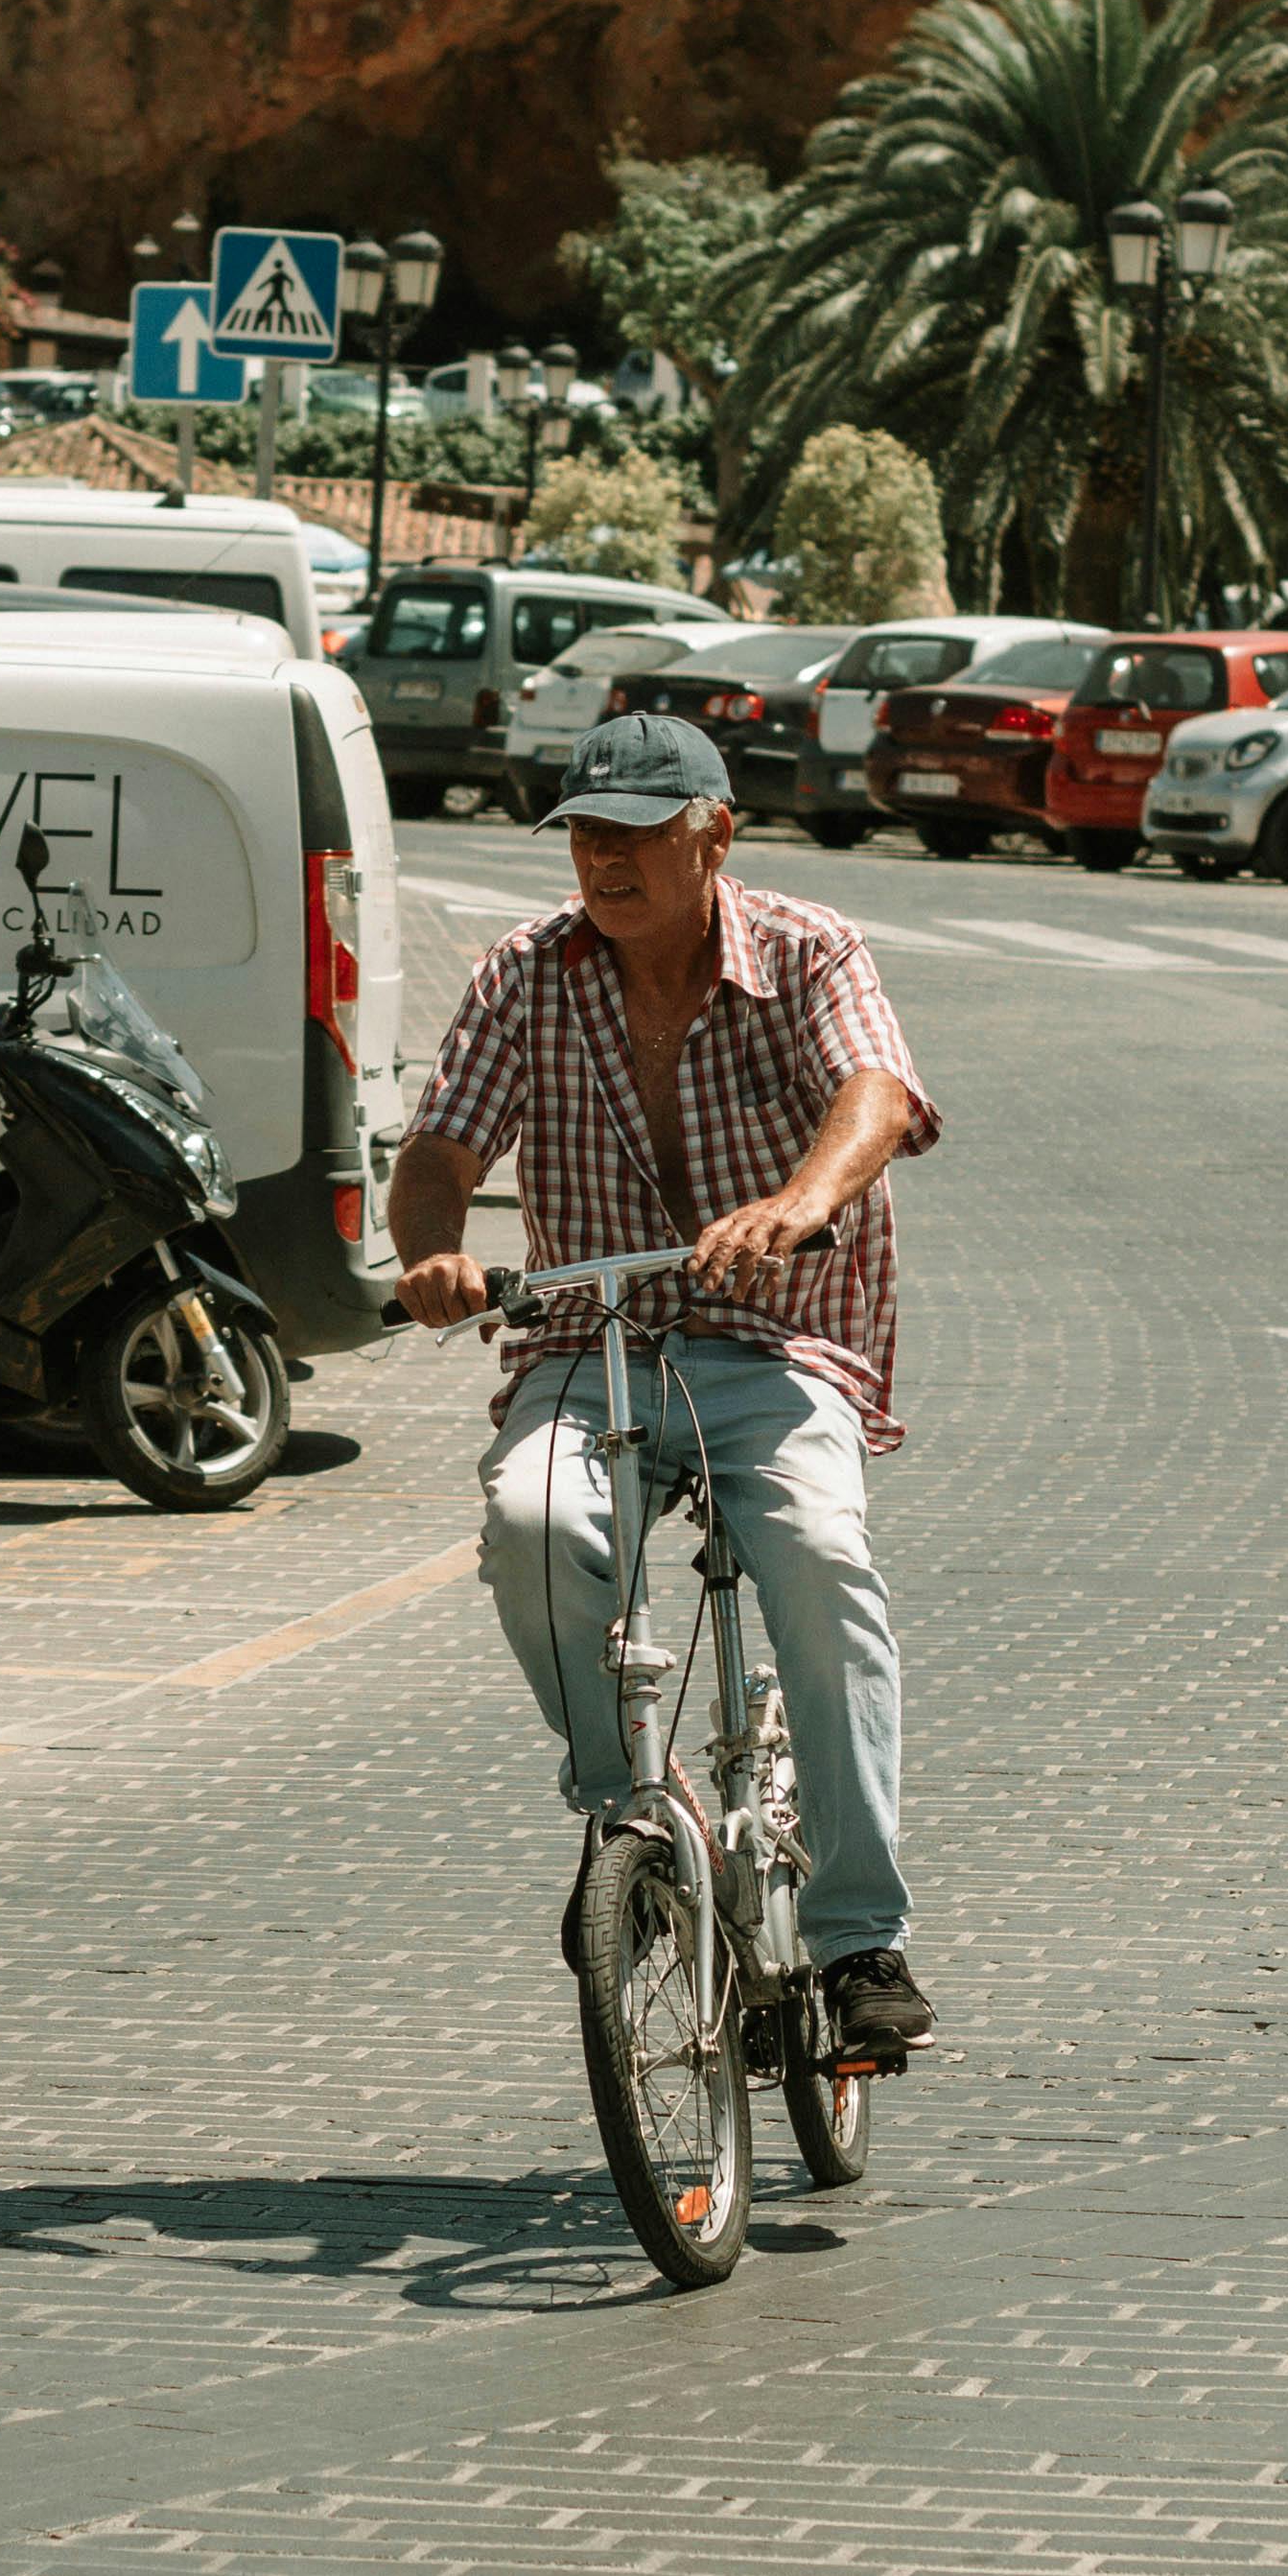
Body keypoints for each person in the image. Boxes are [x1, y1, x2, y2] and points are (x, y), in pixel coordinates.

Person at [389, 712, 942, 2057]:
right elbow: (441, 1148)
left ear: (715, 838)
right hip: (591, 1345)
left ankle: (861, 1933)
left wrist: (798, 1206)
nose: (605, 858)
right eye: (586, 831)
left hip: (777, 1343)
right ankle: (632, 1817)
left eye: (639, 833)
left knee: (817, 1553)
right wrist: (436, 1254)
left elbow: (875, 1093)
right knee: (530, 1529)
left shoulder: (812, 950)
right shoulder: (528, 972)